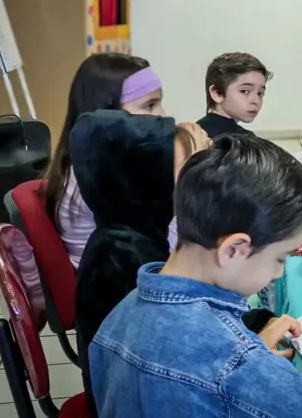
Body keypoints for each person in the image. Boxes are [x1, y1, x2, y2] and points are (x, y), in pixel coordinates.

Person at [90, 134, 302, 416]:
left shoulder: (120, 313)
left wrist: (252, 351)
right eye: (280, 258)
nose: (278, 273)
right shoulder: (232, 359)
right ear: (234, 250)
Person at [72, 110, 206, 414]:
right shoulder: (121, 258)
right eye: (188, 169)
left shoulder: (133, 233)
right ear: (146, 180)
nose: (198, 179)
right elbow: (171, 365)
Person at [41, 53, 166, 269]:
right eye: (150, 105)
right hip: (122, 291)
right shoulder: (104, 179)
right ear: (107, 112)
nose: (162, 115)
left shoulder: (92, 163)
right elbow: (168, 248)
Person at [197, 52, 270, 138]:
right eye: (244, 91)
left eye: (260, 93)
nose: (256, 101)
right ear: (217, 92)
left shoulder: (190, 135)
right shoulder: (243, 141)